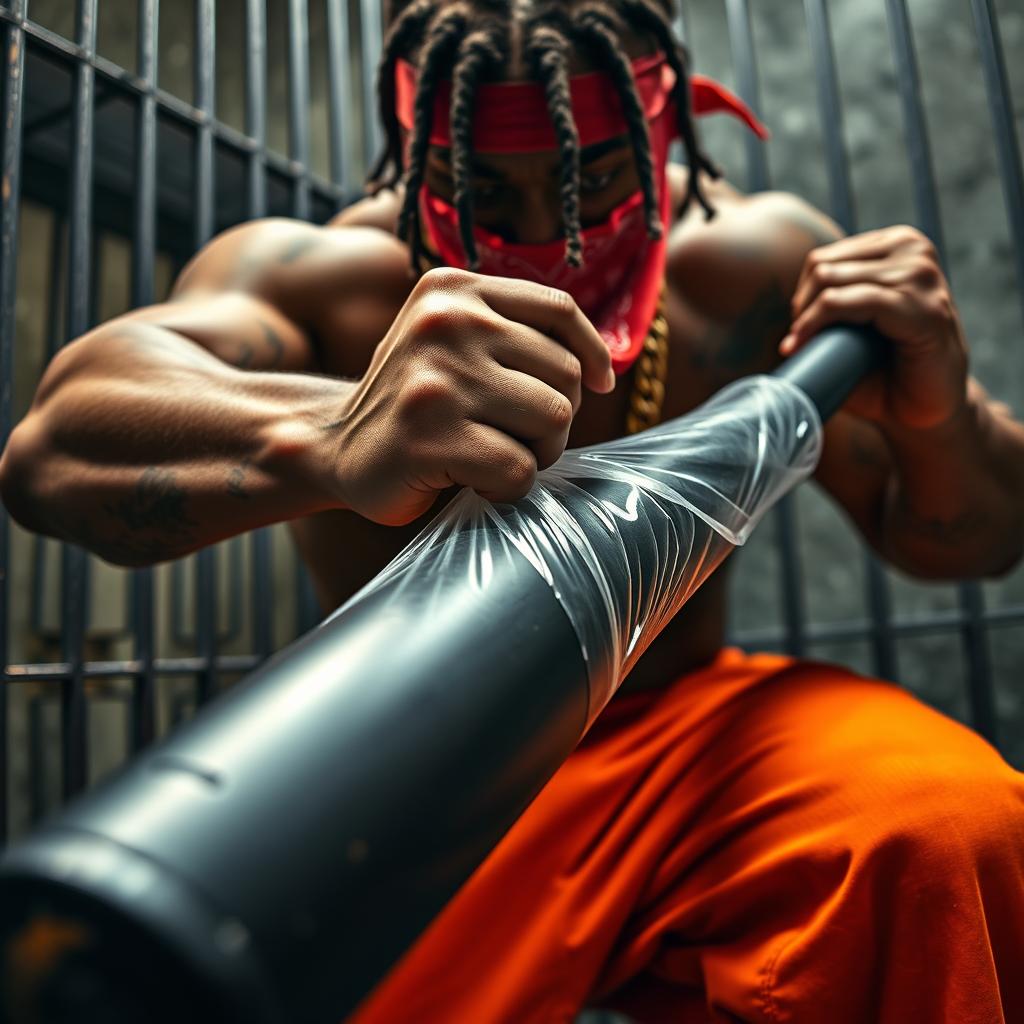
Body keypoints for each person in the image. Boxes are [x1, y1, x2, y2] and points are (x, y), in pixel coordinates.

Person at [1, 1, 1023, 1020]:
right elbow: (53, 449)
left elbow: (971, 539)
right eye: (479, 187)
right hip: (412, 776)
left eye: (599, 181)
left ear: (664, 130)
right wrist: (336, 427)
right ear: (414, 146)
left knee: (946, 833)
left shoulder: (750, 264)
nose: (548, 239)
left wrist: (944, 416)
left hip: (678, 742)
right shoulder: (322, 281)